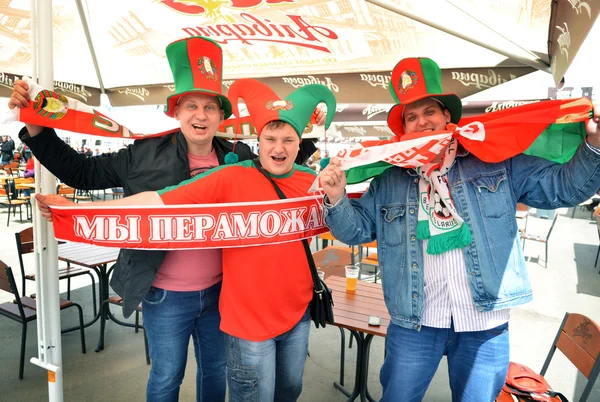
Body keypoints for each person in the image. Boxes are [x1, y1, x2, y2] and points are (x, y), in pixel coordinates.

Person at [9, 36, 323, 402]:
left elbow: (278, 162)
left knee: (215, 374)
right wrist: (36, 126)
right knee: (165, 380)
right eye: (191, 105)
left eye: (209, 107)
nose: (200, 115)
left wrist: (307, 130)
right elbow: (83, 173)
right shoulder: (143, 154)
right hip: (165, 294)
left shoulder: (237, 155)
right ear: (176, 112)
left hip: (223, 292)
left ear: (222, 116)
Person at [319, 57, 600, 401]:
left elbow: (563, 189)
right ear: (403, 130)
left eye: (429, 113)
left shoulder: (494, 158)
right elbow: (357, 229)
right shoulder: (390, 178)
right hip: (415, 322)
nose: (422, 122)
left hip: (484, 323)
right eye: (412, 117)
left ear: (447, 117)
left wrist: (595, 145)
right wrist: (335, 197)